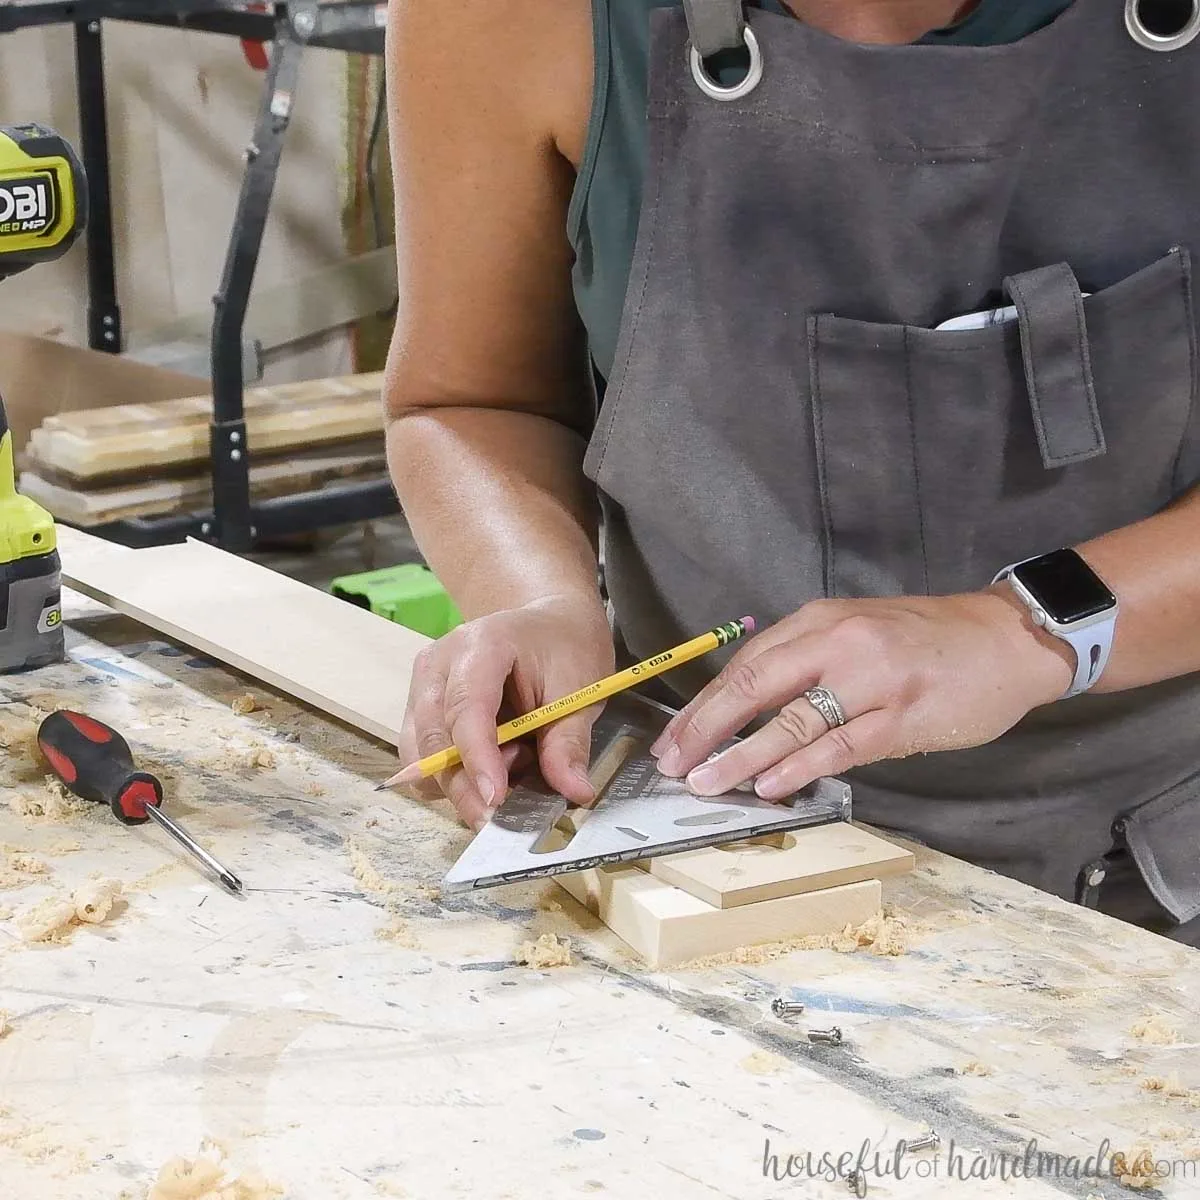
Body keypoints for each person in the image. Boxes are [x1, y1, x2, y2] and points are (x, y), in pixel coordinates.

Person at [382, 0, 1200, 944]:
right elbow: (473, 399)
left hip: (1165, 847)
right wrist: (538, 597)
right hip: (711, 848)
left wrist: (1026, 632)